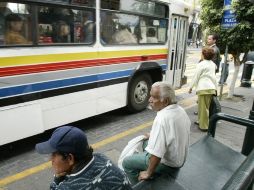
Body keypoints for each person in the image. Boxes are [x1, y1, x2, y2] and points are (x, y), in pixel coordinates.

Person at [123, 82, 191, 185]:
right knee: (146, 141)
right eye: (150, 95)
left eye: (154, 97)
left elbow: (157, 154)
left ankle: (139, 186)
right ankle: (150, 171)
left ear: (166, 101)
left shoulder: (162, 118)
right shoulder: (180, 110)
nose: (150, 100)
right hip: (179, 159)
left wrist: (148, 173)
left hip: (168, 164)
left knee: (127, 163)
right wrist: (152, 136)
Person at [35, 126, 132, 190]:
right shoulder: (100, 157)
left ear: (70, 158)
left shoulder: (68, 187)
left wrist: (57, 178)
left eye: (54, 155)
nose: (50, 160)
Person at [189, 47, 218, 131]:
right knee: (204, 107)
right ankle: (200, 121)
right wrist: (216, 89)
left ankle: (204, 126)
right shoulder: (213, 64)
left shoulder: (201, 64)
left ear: (203, 55)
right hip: (211, 88)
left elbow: (196, 77)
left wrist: (191, 87)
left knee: (203, 108)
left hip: (203, 88)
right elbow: (214, 78)